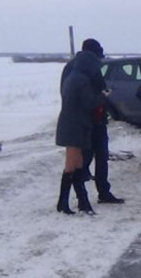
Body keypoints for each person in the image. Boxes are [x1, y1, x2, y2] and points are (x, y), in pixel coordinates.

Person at [61, 39, 125, 205]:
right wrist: (103, 99)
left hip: (96, 119)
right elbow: (73, 95)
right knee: (84, 159)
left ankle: (102, 192)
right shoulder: (77, 69)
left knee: (101, 157)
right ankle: (82, 196)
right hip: (85, 122)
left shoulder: (80, 67)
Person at [56, 46, 107, 215]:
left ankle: (82, 202)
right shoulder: (82, 80)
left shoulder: (71, 77)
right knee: (72, 165)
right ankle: (64, 203)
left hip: (72, 124)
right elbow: (89, 103)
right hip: (75, 126)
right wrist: (104, 96)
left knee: (77, 164)